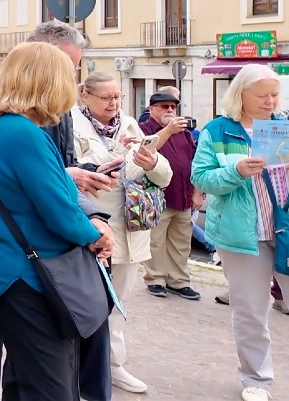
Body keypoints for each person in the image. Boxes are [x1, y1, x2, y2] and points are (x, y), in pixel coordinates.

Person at [0, 20, 116, 401]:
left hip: (11, 266)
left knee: (24, 379)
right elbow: (57, 207)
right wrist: (97, 234)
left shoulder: (12, 127)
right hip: (23, 273)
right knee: (49, 385)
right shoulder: (23, 132)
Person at [191, 64, 289, 401]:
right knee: (251, 311)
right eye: (262, 95)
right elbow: (202, 178)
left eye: (274, 94)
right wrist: (236, 170)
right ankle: (256, 380)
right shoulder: (218, 130)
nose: (270, 101)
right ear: (240, 94)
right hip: (243, 236)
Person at [72, 72, 172, 395]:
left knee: (117, 303)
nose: (114, 104)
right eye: (106, 97)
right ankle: (77, 367)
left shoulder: (131, 125)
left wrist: (152, 160)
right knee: (87, 303)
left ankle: (113, 366)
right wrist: (106, 164)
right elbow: (69, 172)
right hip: (92, 229)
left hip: (130, 231)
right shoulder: (71, 125)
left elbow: (165, 176)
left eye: (117, 97)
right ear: (85, 96)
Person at [140, 91, 203, 299]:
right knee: (156, 241)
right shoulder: (145, 129)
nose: (169, 110)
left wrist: (197, 193)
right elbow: (146, 151)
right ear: (152, 109)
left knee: (181, 242)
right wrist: (167, 130)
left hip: (183, 195)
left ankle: (179, 281)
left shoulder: (183, 132)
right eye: (164, 106)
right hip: (157, 196)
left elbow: (194, 163)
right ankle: (155, 279)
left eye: (173, 107)